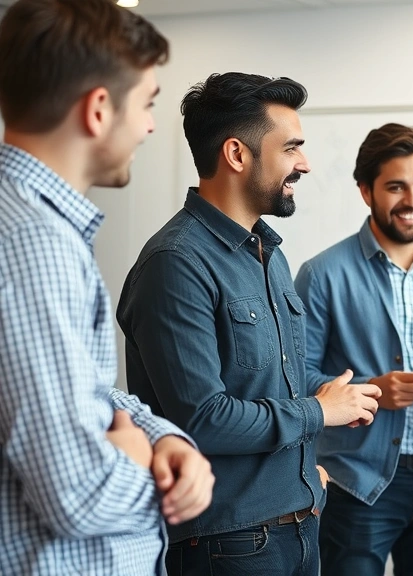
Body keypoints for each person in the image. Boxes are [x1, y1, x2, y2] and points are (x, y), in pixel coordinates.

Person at [117, 72, 381, 576]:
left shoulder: (268, 253)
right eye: (291, 148)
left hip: (298, 526)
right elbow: (204, 418)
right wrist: (319, 411)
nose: (305, 163)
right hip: (230, 545)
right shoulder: (176, 263)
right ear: (237, 154)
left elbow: (267, 384)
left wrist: (320, 418)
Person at [0, 1, 215, 574]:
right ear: (99, 110)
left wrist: (161, 438)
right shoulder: (34, 243)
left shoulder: (36, 227)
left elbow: (87, 393)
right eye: (146, 103)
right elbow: (77, 490)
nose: (150, 125)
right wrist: (155, 472)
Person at [295, 123, 413, 576]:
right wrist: (373, 391)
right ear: (366, 191)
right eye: (396, 186)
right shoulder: (321, 274)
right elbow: (296, 377)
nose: (412, 199)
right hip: (356, 483)